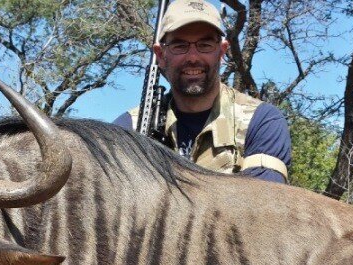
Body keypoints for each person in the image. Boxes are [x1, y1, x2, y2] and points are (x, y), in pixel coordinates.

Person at [114, 0, 291, 184]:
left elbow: (261, 205)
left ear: (222, 52)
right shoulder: (128, 128)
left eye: (205, 45)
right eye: (179, 46)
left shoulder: (262, 121)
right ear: (160, 55)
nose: (192, 57)